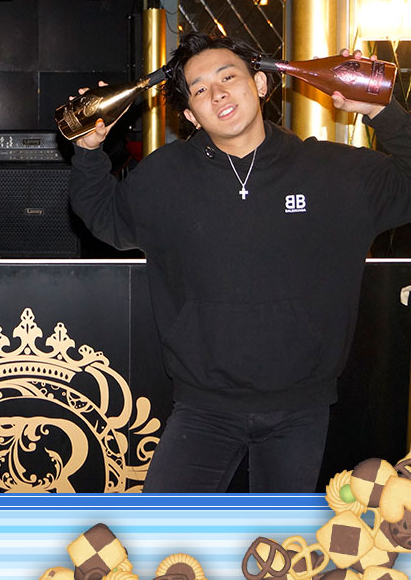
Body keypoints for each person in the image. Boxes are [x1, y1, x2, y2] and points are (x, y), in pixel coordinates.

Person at [69, 31, 411, 493]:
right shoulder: (165, 176)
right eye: (200, 89)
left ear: (261, 84)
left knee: (277, 539)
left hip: (301, 406)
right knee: (162, 533)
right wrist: (89, 151)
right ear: (191, 115)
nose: (218, 93)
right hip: (202, 407)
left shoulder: (333, 172)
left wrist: (382, 112)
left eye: (228, 77)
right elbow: (105, 217)